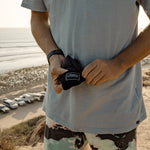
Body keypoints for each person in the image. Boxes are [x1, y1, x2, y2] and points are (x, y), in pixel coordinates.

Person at [21, 0, 150, 149]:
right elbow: (38, 18)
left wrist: (119, 64)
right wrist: (53, 54)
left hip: (114, 110)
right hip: (60, 109)